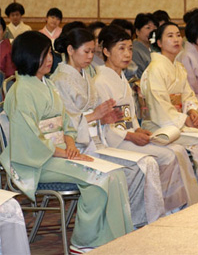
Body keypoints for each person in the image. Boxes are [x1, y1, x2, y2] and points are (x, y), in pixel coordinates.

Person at [0, 31, 133, 252]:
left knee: (116, 173)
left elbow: (67, 123)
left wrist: (70, 145)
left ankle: (114, 239)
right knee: (97, 178)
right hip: (35, 162)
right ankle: (84, 242)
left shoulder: (48, 85)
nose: (50, 59)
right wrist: (65, 152)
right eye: (43, 55)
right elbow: (30, 139)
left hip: (58, 153)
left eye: (49, 53)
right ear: (28, 56)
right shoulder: (21, 91)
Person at [51, 28, 165, 228]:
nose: (89, 57)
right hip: (77, 145)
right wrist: (95, 116)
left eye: (91, 52)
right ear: (70, 50)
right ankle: (122, 223)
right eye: (85, 52)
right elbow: (65, 123)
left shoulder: (87, 75)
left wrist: (105, 118)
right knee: (134, 169)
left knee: (147, 163)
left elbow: (95, 115)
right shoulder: (60, 80)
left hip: (98, 138)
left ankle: (138, 220)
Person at [95, 25, 198, 208]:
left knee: (177, 150)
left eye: (129, 48)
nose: (127, 54)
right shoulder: (100, 82)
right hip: (114, 140)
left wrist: (138, 129)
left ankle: (173, 204)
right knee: (166, 156)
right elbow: (104, 125)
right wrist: (130, 135)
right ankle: (158, 207)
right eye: (121, 49)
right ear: (106, 51)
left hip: (128, 135)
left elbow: (131, 117)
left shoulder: (122, 80)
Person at [140, 22, 198, 200]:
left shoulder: (178, 68)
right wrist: (184, 120)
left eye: (177, 35)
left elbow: (188, 95)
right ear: (159, 42)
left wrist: (193, 112)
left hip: (177, 120)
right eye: (170, 36)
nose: (176, 39)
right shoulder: (155, 68)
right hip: (160, 125)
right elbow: (159, 105)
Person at [132, 13, 158, 79]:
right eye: (148, 28)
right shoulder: (133, 49)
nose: (152, 31)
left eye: (155, 28)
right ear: (137, 31)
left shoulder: (155, 47)